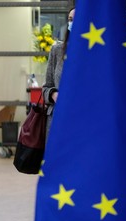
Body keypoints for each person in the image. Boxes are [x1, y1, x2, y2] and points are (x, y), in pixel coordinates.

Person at [42, 7, 75, 143]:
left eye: (75, 20)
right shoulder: (57, 51)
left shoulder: (94, 53)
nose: (71, 23)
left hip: (82, 119)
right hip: (58, 119)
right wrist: (54, 94)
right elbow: (46, 87)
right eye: (70, 20)